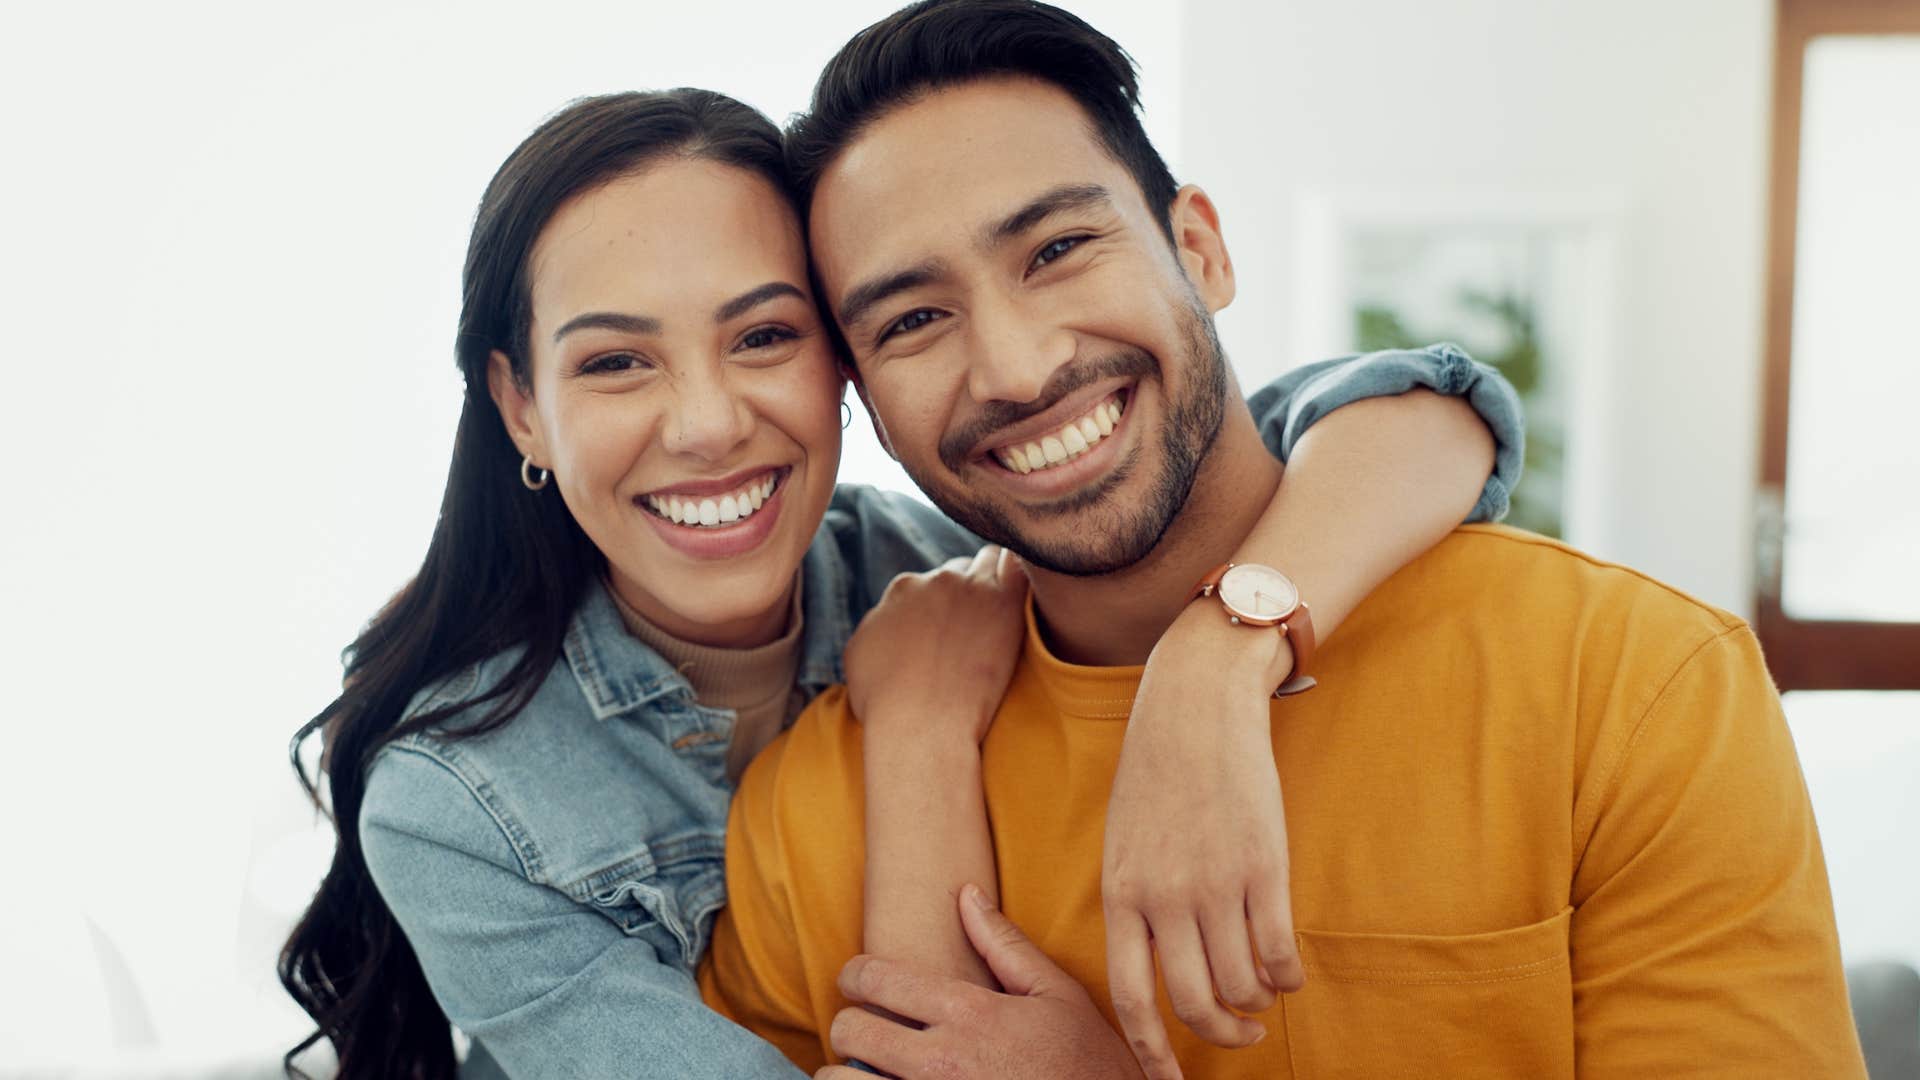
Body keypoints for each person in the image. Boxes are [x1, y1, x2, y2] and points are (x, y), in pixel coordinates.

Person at [697, 3, 1871, 1078]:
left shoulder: (1631, 684)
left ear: (1199, 250)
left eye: (1057, 250)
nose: (1016, 366)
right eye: (912, 320)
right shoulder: (820, 808)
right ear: (863, 401)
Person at [276, 88, 1524, 1078]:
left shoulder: (960, 554)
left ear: (850, 368)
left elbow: (1390, 412)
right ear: (520, 409)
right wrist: (920, 728)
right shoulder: (460, 806)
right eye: (615, 362)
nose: (709, 424)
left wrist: (1219, 656)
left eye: (765, 336)